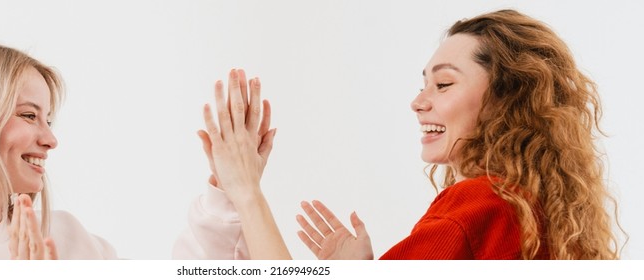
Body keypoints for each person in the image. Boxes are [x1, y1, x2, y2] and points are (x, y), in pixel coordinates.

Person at [195, 9, 621, 260]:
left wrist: (245, 189)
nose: (419, 102)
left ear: (504, 98)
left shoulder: (477, 206)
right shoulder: (533, 209)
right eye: (423, 84)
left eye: (444, 84)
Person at [0, 40, 265, 259]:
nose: (51, 140)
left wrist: (228, 192)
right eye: (28, 115)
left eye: (49, 120)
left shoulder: (65, 236)